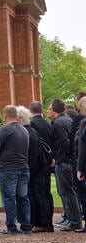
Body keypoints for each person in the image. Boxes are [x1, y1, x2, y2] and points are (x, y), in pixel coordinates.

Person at [48, 98, 83, 231]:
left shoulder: (57, 123)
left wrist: (60, 157)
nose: (47, 111)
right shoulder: (68, 120)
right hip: (70, 160)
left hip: (64, 161)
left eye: (50, 108)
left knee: (67, 191)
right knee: (71, 191)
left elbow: (64, 142)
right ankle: (74, 219)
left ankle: (74, 221)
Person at [0, 105, 31, 234]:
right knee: (23, 197)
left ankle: (11, 227)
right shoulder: (24, 130)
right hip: (23, 167)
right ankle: (26, 225)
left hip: (8, 168)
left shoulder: (4, 130)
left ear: (5, 115)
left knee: (9, 197)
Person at [28, 101, 55, 232]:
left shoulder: (32, 124)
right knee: (46, 193)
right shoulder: (47, 123)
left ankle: (42, 223)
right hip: (47, 162)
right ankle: (48, 221)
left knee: (38, 194)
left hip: (38, 164)